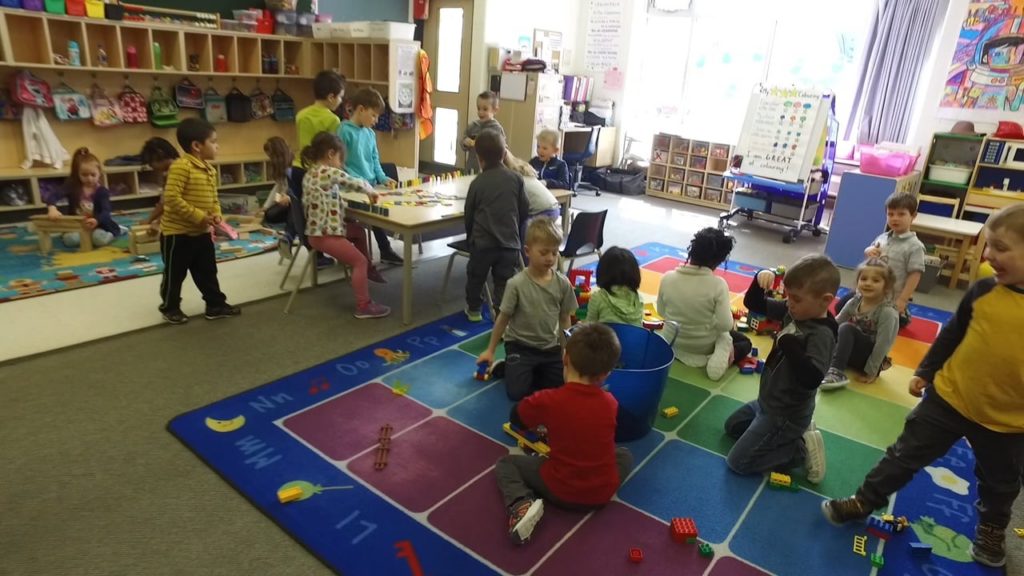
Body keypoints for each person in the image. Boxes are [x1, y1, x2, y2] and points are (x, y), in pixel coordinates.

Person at [821, 203, 1024, 569]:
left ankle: (992, 529)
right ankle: (866, 499)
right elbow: (953, 334)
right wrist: (927, 370)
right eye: (988, 245)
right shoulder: (983, 291)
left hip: (1008, 423)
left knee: (1000, 482)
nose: (989, 255)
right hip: (949, 397)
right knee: (904, 453)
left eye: (1001, 248)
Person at [495, 322, 634, 545]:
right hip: (601, 493)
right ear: (606, 374)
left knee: (506, 464)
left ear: (565, 359)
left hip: (560, 489)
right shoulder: (611, 403)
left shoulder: (548, 400)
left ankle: (521, 504)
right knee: (625, 454)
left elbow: (516, 417)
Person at [725, 255, 840, 484]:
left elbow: (812, 379)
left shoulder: (821, 335)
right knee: (732, 427)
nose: (789, 303)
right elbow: (754, 304)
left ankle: (799, 450)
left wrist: (791, 346)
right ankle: (789, 438)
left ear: (825, 300)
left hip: (785, 414)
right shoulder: (795, 310)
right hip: (766, 402)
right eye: (787, 297)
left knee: (737, 463)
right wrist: (759, 280)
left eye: (795, 298)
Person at [477, 218, 578, 401]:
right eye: (544, 252)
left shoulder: (562, 283)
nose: (550, 258)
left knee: (562, 386)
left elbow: (564, 319)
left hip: (549, 347)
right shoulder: (516, 284)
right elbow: (503, 318)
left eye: (555, 253)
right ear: (527, 251)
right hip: (520, 346)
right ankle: (507, 367)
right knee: (516, 393)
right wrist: (490, 350)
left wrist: (566, 352)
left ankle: (531, 371)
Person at [158, 118, 240, 325]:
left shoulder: (209, 169)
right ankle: (170, 307)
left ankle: (215, 304)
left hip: (202, 233)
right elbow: (172, 198)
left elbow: (213, 199)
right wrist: (200, 216)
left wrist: (216, 215)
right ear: (197, 146)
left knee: (207, 271)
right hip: (177, 234)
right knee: (175, 274)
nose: (217, 145)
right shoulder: (181, 166)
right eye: (213, 141)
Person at [301, 132, 391, 319]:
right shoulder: (326, 171)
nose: (341, 165)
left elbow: (325, 198)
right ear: (331, 154)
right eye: (341, 160)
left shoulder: (310, 174)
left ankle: (368, 271)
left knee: (358, 232)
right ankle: (363, 305)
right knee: (359, 261)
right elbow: (354, 182)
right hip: (326, 235)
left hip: (316, 233)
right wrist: (371, 192)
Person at [657, 227, 752, 380]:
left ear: (692, 250)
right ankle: (723, 353)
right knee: (742, 341)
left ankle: (720, 351)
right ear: (719, 260)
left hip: (672, 342)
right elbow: (725, 325)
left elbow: (661, 312)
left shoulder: (667, 278)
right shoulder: (718, 285)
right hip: (703, 348)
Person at [463, 131, 529, 322]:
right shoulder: (516, 179)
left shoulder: (477, 183)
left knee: (476, 277)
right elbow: (524, 209)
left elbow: (469, 214)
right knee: (504, 281)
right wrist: (515, 229)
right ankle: (502, 312)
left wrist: (470, 238)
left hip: (483, 245)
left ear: (479, 157)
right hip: (509, 243)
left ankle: (474, 310)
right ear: (503, 155)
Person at [836, 192, 925, 328]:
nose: (895, 218)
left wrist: (902, 300)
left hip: (890, 299)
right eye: (890, 214)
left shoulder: (915, 246)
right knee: (840, 307)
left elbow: (915, 274)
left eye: (901, 214)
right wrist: (868, 251)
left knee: (884, 322)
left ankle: (902, 316)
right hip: (868, 292)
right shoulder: (882, 237)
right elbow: (870, 255)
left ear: (913, 216)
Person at [338, 87, 404, 265]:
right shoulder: (344, 131)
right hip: (350, 188)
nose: (376, 121)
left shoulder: (370, 133)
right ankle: (353, 255)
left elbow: (375, 160)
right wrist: (356, 181)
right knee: (355, 218)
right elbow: (339, 163)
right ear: (361, 109)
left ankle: (385, 250)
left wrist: (382, 178)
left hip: (370, 186)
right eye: (373, 115)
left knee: (377, 212)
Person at [820, 258, 900, 390]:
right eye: (864, 279)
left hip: (870, 359)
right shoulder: (855, 301)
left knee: (846, 328)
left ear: (887, 286)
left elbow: (883, 345)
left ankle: (836, 373)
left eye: (875, 280)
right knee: (833, 326)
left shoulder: (887, 312)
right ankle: (832, 361)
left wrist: (871, 371)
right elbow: (836, 322)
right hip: (853, 352)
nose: (868, 283)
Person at [46, 147, 126, 248]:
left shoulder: (102, 191)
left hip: (99, 225)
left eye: (93, 175)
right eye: (84, 175)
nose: (89, 178)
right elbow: (53, 195)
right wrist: (52, 208)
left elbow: (106, 212)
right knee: (70, 240)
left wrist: (96, 220)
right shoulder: (72, 186)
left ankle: (117, 230)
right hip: (78, 225)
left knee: (99, 240)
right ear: (78, 174)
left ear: (99, 174)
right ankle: (86, 235)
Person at [587, 247, 643, 326]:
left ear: (602, 271)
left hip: (606, 338)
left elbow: (589, 328)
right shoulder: (638, 299)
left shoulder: (598, 298)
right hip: (633, 338)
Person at [139, 137, 180, 235]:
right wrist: (149, 220)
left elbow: (174, 207)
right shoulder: (169, 172)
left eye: (151, 163)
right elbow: (164, 202)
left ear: (160, 154)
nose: (151, 167)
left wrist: (158, 223)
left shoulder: (177, 172)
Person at [462, 90, 506, 173]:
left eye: (485, 109)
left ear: (495, 110)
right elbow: (463, 142)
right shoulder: (473, 126)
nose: (480, 112)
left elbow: (503, 149)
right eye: (478, 108)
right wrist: (465, 142)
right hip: (472, 167)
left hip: (490, 170)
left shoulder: (497, 129)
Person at [261, 136, 292, 226]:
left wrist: (289, 198)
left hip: (295, 203)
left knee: (271, 215)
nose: (270, 159)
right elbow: (277, 187)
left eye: (271, 156)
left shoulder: (292, 167)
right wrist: (265, 207)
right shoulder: (281, 167)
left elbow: (299, 191)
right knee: (268, 213)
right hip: (285, 200)